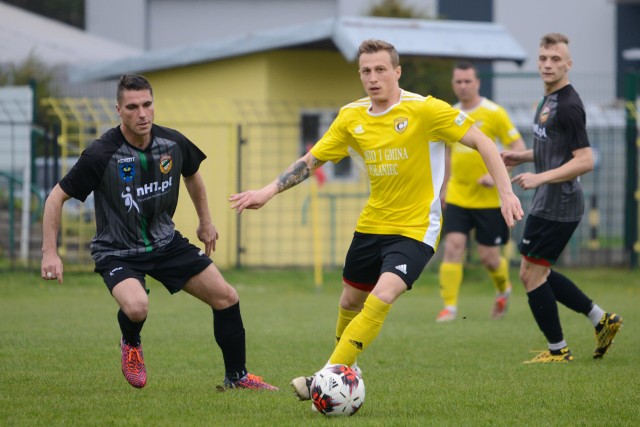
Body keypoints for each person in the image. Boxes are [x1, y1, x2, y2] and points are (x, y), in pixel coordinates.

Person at [229, 39, 523, 402]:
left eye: (380, 69)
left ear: (397, 72)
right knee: (350, 301)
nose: (373, 77)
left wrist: (505, 192)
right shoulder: (352, 116)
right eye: (365, 71)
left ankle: (325, 377)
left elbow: (483, 142)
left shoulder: (426, 110)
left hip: (416, 229)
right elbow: (312, 160)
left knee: (382, 295)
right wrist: (267, 191)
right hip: (371, 225)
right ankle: (347, 364)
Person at [40, 73, 278, 390]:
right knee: (137, 307)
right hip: (117, 250)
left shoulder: (172, 143)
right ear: (118, 110)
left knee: (226, 297)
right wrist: (50, 252)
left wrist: (205, 221)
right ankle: (131, 341)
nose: (142, 113)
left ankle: (237, 378)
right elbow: (56, 196)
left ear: (154, 105)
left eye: (147, 105)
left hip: (166, 244)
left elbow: (192, 175)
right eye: (133, 107)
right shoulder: (101, 154)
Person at [501, 33, 623, 363]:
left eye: (555, 59)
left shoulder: (569, 105)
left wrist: (539, 176)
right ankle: (602, 320)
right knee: (538, 271)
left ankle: (559, 350)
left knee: (530, 275)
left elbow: (584, 159)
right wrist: (522, 156)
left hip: (559, 202)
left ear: (568, 64)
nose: (548, 64)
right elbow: (554, 148)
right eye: (543, 58)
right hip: (550, 199)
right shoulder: (549, 98)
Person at [436, 62, 527, 322]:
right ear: (453, 84)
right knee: (453, 246)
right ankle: (449, 307)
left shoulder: (494, 113)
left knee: (489, 257)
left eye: (468, 81)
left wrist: (496, 174)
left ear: (477, 83)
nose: (463, 86)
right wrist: (444, 187)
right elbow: (448, 153)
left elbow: (517, 148)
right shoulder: (449, 114)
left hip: (489, 201)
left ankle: (503, 289)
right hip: (457, 196)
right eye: (458, 82)